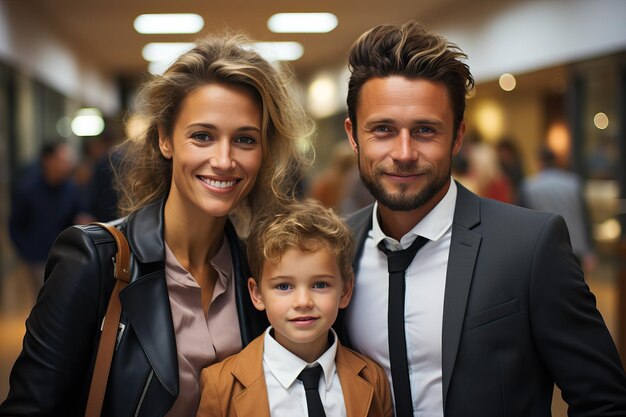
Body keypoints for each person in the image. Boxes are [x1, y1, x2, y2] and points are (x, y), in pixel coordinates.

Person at [0, 32, 311, 417]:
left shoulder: (258, 268)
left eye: (245, 140)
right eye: (202, 136)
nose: (225, 159)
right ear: (166, 138)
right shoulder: (95, 260)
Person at [338, 21, 626, 417]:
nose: (404, 153)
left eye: (425, 130)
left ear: (458, 136)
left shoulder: (529, 245)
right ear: (354, 135)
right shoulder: (337, 248)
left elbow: (604, 401)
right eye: (383, 130)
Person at [196, 200, 392, 417]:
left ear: (345, 291)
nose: (303, 302)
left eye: (320, 285)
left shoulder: (372, 378)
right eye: (284, 286)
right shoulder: (221, 386)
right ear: (257, 294)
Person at [8, 139, 92, 301]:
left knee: (65, 301)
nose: (66, 165)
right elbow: (15, 226)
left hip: (66, 256)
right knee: (43, 301)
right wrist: (26, 252)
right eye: (61, 161)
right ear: (47, 160)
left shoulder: (72, 189)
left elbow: (80, 213)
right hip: (37, 259)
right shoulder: (27, 189)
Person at [520, 147, 597, 272]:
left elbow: (524, 223)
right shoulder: (573, 182)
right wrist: (590, 249)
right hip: (574, 246)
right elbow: (585, 217)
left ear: (539, 162)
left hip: (543, 249)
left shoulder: (529, 186)